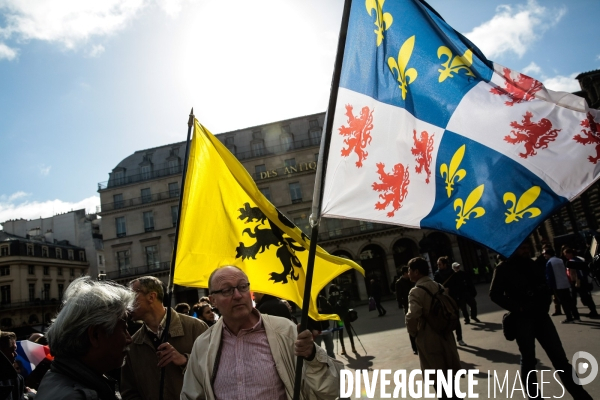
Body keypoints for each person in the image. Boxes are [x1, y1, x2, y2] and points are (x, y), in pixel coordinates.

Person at [180, 265, 343, 399]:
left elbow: (330, 390)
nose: (237, 295)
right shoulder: (203, 345)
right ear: (213, 300)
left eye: (243, 287)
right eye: (227, 290)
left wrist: (312, 356)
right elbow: (190, 395)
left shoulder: (285, 331)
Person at [490, 241, 592, 400]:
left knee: (560, 359)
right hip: (522, 319)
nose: (526, 250)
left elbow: (544, 283)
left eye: (527, 247)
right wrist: (518, 307)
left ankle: (581, 395)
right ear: (514, 250)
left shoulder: (531, 263)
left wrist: (545, 298)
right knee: (529, 361)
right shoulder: (503, 268)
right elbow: (494, 294)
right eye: (522, 248)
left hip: (541, 316)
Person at [36, 277, 135, 400]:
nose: (129, 339)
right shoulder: (75, 396)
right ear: (95, 335)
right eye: (124, 329)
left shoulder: (62, 380)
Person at [121, 276, 208, 400]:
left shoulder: (195, 327)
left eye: (131, 297)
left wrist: (185, 360)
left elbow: (216, 370)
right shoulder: (133, 344)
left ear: (151, 297)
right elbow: (129, 392)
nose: (127, 304)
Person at [405, 257, 462, 399]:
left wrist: (414, 333)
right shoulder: (438, 286)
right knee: (451, 381)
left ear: (416, 272)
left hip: (429, 337)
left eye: (409, 270)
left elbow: (412, 316)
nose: (408, 273)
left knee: (439, 381)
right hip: (446, 334)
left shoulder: (415, 291)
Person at [434, 256, 466, 346]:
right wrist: (442, 290)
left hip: (453, 299)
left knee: (456, 318)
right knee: (444, 320)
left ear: (445, 264)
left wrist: (450, 289)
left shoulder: (452, 273)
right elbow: (435, 287)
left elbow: (459, 286)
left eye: (440, 264)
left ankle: (459, 338)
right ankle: (448, 340)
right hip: (443, 300)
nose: (438, 266)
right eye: (437, 264)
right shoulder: (437, 274)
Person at [543, 247, 580, 323]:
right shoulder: (560, 260)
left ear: (548, 254)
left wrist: (550, 286)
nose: (544, 256)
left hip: (558, 284)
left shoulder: (549, 262)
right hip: (565, 282)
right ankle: (576, 316)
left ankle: (569, 318)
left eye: (545, 254)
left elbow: (550, 276)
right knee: (570, 301)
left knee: (564, 302)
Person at [563, 248, 599, 318]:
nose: (565, 255)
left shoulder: (574, 261)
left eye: (566, 254)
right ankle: (592, 311)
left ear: (570, 253)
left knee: (585, 297)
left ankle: (593, 312)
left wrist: (578, 280)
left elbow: (580, 273)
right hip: (579, 281)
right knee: (585, 297)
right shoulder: (577, 259)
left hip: (579, 282)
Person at [1, 331, 35, 399]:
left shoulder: (17, 379)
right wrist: (31, 394)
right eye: (12, 350)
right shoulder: (14, 379)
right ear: (2, 352)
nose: (16, 354)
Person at [328, 284, 357, 355]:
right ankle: (351, 347)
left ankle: (345, 348)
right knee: (347, 331)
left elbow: (331, 308)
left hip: (341, 317)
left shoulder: (338, 296)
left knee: (342, 332)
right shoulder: (337, 296)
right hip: (343, 316)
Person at [395, 267, 418, 355]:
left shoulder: (411, 281)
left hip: (415, 303)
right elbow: (398, 296)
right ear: (404, 273)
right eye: (408, 272)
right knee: (411, 325)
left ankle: (420, 344)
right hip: (407, 306)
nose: (409, 273)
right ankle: (414, 347)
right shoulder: (399, 283)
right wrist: (404, 303)